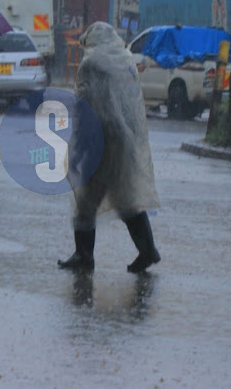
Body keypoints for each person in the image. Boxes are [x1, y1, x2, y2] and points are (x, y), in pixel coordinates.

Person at [59, 22, 161, 273]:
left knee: (85, 201)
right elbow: (132, 105)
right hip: (124, 140)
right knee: (126, 198)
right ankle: (147, 250)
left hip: (100, 139)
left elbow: (85, 107)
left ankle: (84, 256)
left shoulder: (91, 64)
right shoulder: (125, 61)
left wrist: (78, 149)